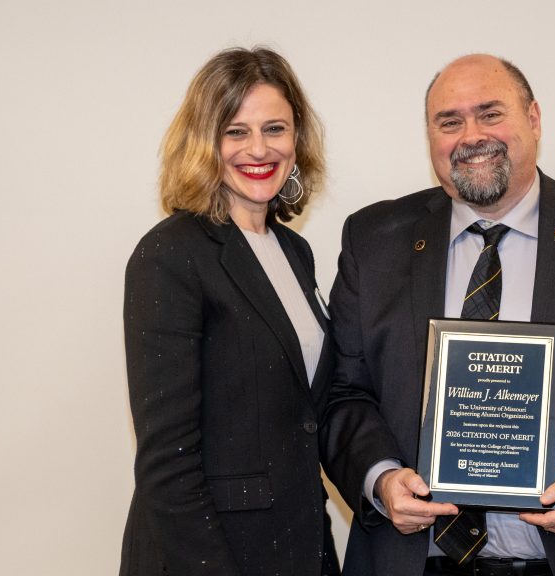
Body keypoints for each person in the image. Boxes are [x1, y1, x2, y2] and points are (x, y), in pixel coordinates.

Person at [321, 54, 555, 576]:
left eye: (490, 113)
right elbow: (344, 393)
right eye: (449, 121)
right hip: (415, 563)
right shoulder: (373, 240)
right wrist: (382, 479)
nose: (471, 135)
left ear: (534, 119)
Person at [120, 47, 340, 576]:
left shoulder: (293, 251)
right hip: (211, 554)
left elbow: (305, 411)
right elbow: (167, 463)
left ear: (297, 139)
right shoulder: (170, 255)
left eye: (275, 128)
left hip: (297, 544)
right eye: (235, 131)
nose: (259, 148)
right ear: (203, 142)